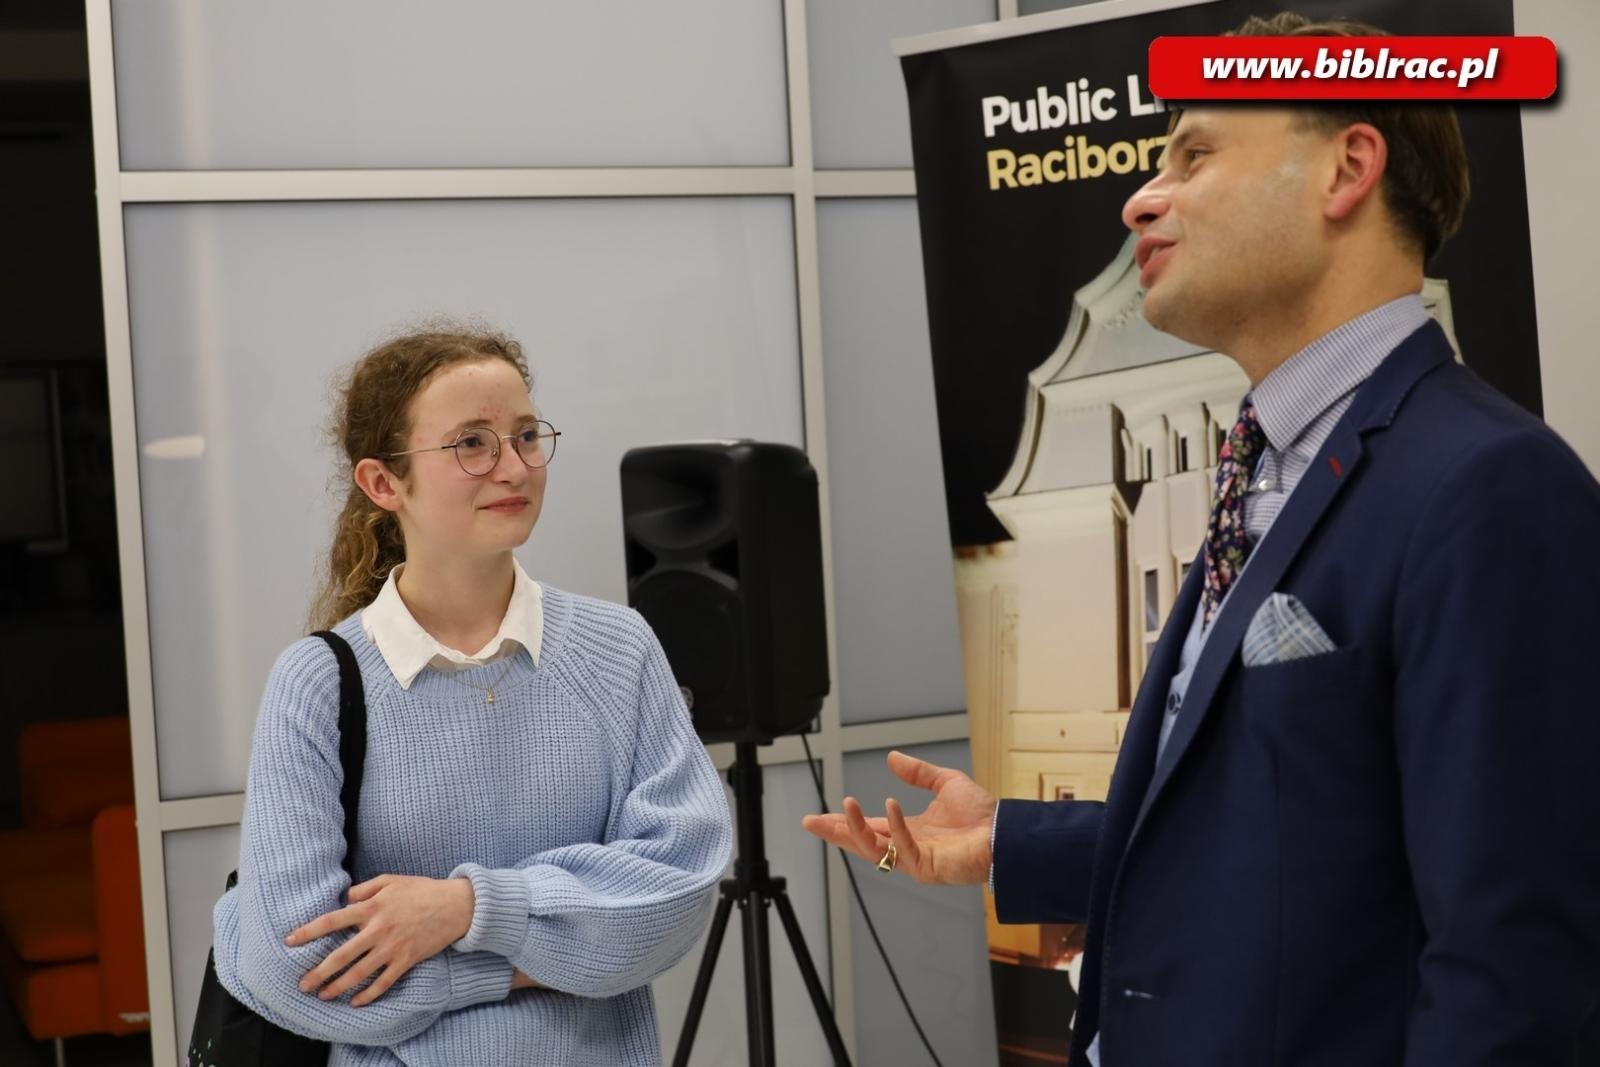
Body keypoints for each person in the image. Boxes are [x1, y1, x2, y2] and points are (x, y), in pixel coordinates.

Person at [804, 13, 1600, 1065]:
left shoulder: (1490, 485)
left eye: (1194, 155)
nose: (1141, 198)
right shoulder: (1264, 464)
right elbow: (1274, 832)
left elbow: (1510, 963)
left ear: (1347, 168)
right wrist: (1006, 840)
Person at [209, 327, 733, 1066]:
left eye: (526, 436)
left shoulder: (620, 649)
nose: (513, 467)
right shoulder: (316, 684)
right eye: (472, 444)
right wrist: (531, 958)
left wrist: (464, 909)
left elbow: (674, 898)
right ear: (383, 484)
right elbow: (293, 966)